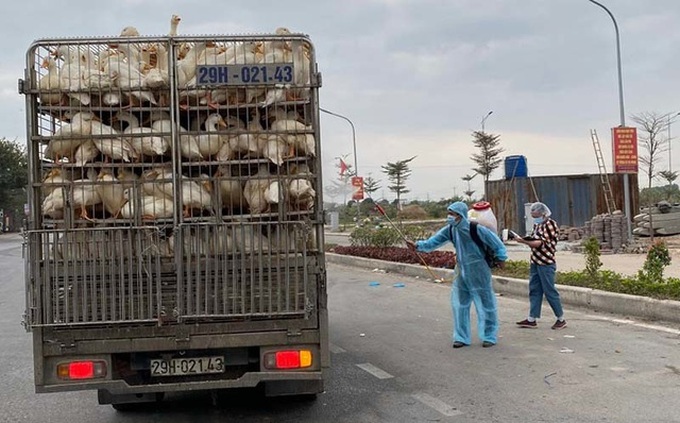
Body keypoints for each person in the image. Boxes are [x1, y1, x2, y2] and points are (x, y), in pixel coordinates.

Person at [407, 201, 507, 348]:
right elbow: (433, 242)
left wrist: (501, 258)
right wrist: (417, 246)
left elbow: (498, 245)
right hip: (461, 270)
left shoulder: (476, 229)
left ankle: (489, 336)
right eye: (449, 213)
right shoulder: (451, 230)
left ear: (460, 215)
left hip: (479, 269)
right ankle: (461, 337)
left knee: (486, 304)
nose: (449, 217)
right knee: (459, 304)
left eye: (452, 214)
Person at [514, 202, 567, 330]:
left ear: (543, 213)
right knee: (534, 290)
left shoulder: (550, 225)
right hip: (536, 261)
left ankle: (561, 319)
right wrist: (527, 239)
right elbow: (534, 238)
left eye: (536, 215)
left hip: (546, 263)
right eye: (533, 215)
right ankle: (532, 319)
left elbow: (539, 243)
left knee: (549, 291)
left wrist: (523, 241)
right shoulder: (538, 225)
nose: (534, 218)